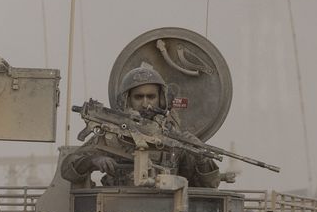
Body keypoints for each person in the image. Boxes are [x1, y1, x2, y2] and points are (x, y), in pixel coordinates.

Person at [60, 63, 222, 188]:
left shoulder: (175, 139)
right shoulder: (113, 135)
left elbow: (211, 184)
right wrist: (93, 160)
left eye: (151, 97)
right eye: (138, 97)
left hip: (167, 210)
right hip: (117, 207)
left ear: (161, 100)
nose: (145, 104)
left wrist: (202, 158)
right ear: (128, 100)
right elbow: (67, 169)